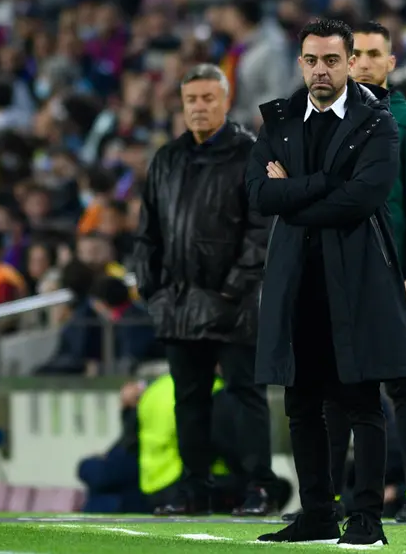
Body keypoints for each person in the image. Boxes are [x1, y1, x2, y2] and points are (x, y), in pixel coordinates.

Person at [246, 19, 406, 546]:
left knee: (362, 400)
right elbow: (258, 195)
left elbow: (363, 200)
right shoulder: (279, 118)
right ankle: (318, 512)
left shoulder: (378, 122)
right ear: (301, 63)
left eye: (332, 61)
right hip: (297, 279)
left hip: (357, 278)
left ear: (348, 62)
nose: (322, 70)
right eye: (313, 61)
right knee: (301, 405)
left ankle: (365, 516)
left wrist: (292, 194)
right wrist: (320, 187)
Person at [132, 63, 276, 517]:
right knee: (188, 399)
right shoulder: (168, 158)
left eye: (208, 98)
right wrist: (150, 288)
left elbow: (262, 229)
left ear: (226, 100)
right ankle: (194, 488)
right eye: (192, 99)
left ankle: (259, 487)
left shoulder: (250, 153)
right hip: (178, 303)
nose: (199, 107)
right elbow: (147, 231)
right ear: (181, 103)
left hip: (234, 305)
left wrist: (232, 290)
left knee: (245, 393)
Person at [324, 20, 406, 523]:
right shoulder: (327, 121)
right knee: (334, 382)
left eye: (377, 54)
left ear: (391, 63)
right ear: (348, 62)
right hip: (337, 269)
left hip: (392, 271)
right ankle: (329, 494)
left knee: (401, 381)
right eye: (360, 55)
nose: (368, 62)